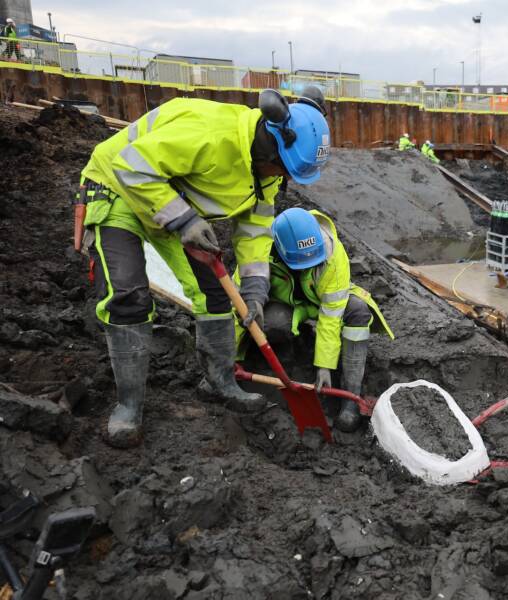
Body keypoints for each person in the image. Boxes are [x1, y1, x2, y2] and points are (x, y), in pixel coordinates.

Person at [77, 88, 330, 448]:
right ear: (269, 142)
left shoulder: (268, 172)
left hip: (171, 204)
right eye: (282, 167)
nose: (280, 176)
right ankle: (128, 406)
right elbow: (132, 165)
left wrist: (255, 290)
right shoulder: (212, 136)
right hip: (118, 187)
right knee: (128, 296)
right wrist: (184, 221)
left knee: (215, 298)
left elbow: (256, 229)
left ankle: (219, 382)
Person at [235, 207, 393, 432]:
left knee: (357, 310)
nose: (309, 267)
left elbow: (331, 316)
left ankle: (350, 397)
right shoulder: (258, 251)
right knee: (271, 323)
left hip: (321, 304)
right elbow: (236, 307)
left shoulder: (332, 253)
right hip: (285, 306)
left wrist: (324, 367)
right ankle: (285, 365)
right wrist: (227, 357)